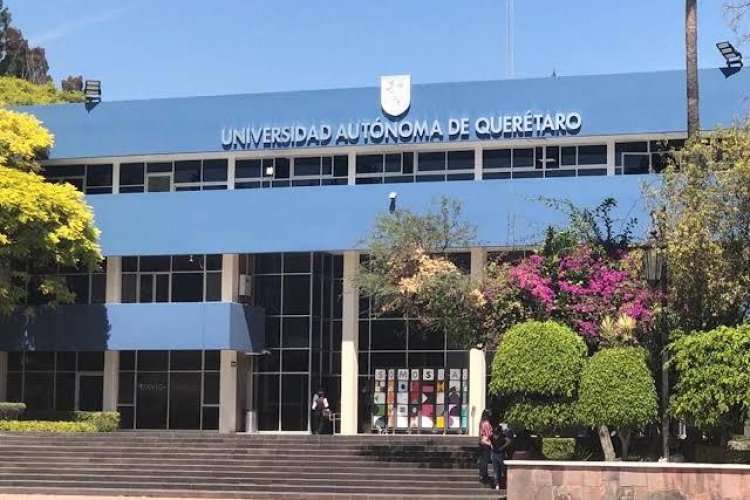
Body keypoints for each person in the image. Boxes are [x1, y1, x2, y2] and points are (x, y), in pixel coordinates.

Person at [490, 423, 513, 490]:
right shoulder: (502, 436)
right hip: (500, 453)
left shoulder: (492, 436)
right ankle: (503, 483)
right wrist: (503, 447)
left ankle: (497, 484)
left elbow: (484, 439)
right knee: (503, 469)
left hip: (494, 453)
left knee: (496, 470)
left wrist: (491, 445)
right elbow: (509, 441)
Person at [477, 409, 493, 486]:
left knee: (482, 459)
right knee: (485, 459)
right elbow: (488, 434)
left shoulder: (481, 423)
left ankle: (482, 474)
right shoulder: (486, 423)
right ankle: (484, 475)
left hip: (481, 442)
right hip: (486, 442)